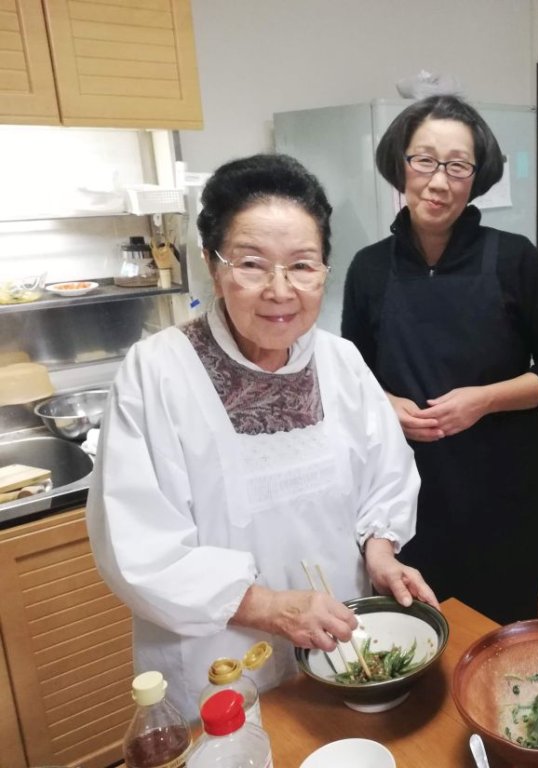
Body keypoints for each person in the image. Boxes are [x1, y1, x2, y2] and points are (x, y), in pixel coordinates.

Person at [87, 154, 436, 720]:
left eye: (302, 266)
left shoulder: (341, 362)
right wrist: (269, 607)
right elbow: (139, 547)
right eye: (252, 264)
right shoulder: (157, 373)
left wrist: (381, 550)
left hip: (339, 648)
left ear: (325, 268)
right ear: (211, 263)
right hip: (216, 660)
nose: (280, 290)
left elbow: (386, 475)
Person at [342, 95, 538, 625]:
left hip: (507, 487)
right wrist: (387, 405)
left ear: (475, 178)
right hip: (407, 489)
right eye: (423, 160)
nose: (438, 180)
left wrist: (485, 400)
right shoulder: (368, 269)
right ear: (400, 165)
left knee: (513, 633)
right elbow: (350, 379)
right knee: (422, 628)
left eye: (457, 165)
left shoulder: (513, 257)